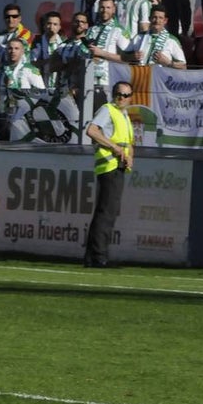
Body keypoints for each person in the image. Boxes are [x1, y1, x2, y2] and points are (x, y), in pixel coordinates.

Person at [84, 81, 134, 268]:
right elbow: (92, 130)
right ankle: (99, 256)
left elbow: (128, 142)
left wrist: (129, 157)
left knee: (106, 212)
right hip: (109, 165)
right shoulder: (108, 110)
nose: (122, 98)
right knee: (106, 213)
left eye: (126, 95)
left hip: (118, 166)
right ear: (113, 94)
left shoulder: (124, 115)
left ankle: (92, 256)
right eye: (119, 94)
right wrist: (113, 147)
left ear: (130, 98)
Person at [0, 39, 44, 141]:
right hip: (3, 117)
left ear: (22, 51)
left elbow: (41, 93)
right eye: (10, 48)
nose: (13, 51)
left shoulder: (30, 70)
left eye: (17, 48)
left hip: (23, 118)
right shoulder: (0, 71)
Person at [84, 0, 130, 108]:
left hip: (107, 82)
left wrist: (102, 53)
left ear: (114, 9)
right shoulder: (91, 30)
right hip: (88, 80)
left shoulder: (119, 30)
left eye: (108, 7)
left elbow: (128, 58)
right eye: (102, 7)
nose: (105, 10)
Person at [29, 10, 65, 88]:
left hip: (59, 86)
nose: (51, 27)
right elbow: (32, 63)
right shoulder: (37, 42)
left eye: (55, 24)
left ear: (59, 27)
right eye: (49, 23)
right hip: (40, 85)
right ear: (44, 25)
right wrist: (50, 61)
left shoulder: (64, 43)